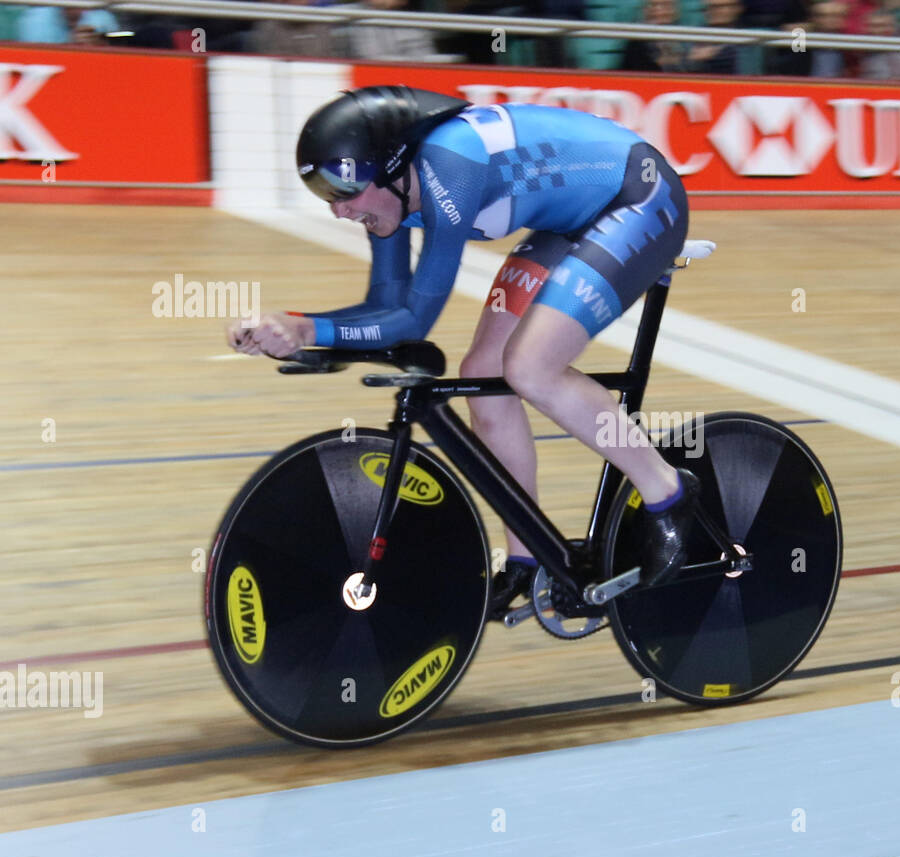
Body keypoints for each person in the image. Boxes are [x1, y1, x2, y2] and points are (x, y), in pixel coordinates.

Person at [226, 86, 697, 618]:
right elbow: (384, 305)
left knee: (530, 367)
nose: (338, 209)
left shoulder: (450, 169)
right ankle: (529, 560)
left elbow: (414, 320)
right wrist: (296, 326)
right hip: (571, 221)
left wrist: (308, 328)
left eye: (344, 188)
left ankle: (669, 492)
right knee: (484, 371)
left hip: (638, 199)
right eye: (324, 193)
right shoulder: (393, 194)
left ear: (392, 165)